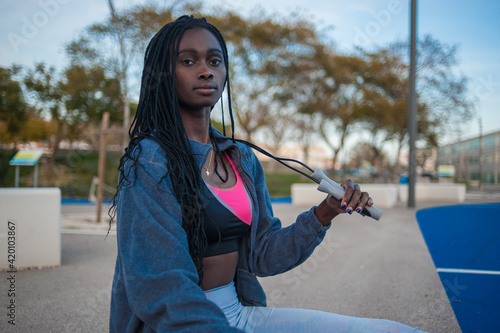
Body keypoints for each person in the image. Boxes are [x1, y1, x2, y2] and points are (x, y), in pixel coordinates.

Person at [109, 15, 428, 333]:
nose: (206, 70)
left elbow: (263, 254)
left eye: (215, 61)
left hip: (238, 313)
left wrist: (324, 213)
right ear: (164, 74)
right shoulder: (150, 161)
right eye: (188, 61)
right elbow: (161, 288)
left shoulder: (241, 158)